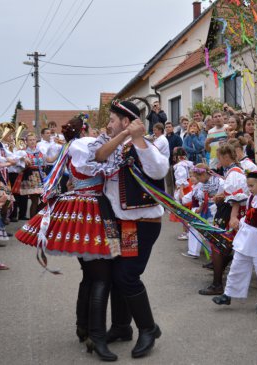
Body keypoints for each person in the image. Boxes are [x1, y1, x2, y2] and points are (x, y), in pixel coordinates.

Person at [16, 115, 122, 361]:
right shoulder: (85, 145)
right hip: (93, 210)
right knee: (102, 278)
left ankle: (83, 328)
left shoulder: (73, 147)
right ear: (84, 130)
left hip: (83, 208)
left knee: (90, 275)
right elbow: (103, 162)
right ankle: (96, 337)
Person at [91, 100, 169, 359]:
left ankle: (149, 329)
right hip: (122, 222)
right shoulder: (116, 145)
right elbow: (98, 157)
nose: (108, 124)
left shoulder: (144, 145)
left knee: (127, 276)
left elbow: (159, 171)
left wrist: (138, 139)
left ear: (126, 121)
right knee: (116, 275)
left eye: (113, 120)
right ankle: (122, 326)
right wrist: (125, 135)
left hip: (142, 223)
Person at [212, 170, 257, 311]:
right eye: (248, 186)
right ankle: (228, 294)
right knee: (237, 266)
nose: (249, 189)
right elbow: (245, 211)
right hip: (245, 238)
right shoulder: (252, 197)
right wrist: (239, 221)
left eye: (251, 186)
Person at [199, 144, 248, 296]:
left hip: (228, 213)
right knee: (224, 246)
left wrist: (221, 197)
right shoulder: (234, 171)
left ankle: (217, 284)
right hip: (229, 211)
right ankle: (219, 277)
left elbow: (236, 197)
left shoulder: (234, 173)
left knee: (218, 246)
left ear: (226, 157)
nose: (219, 161)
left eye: (220, 157)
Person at [19, 133, 46, 218]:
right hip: (31, 176)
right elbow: (21, 168)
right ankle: (32, 220)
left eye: (34, 140)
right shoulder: (24, 153)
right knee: (34, 200)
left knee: (45, 199)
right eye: (30, 140)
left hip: (41, 176)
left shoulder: (40, 152)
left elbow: (48, 160)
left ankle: (36, 217)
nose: (32, 141)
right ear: (26, 142)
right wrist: (26, 164)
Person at [172, 147, 194, 241]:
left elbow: (181, 179)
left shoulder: (180, 166)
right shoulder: (188, 164)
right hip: (190, 186)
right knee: (189, 210)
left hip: (184, 189)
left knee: (184, 211)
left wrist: (180, 192)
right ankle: (189, 231)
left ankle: (186, 232)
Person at [164, 122, 183, 197]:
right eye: (166, 127)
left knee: (176, 181)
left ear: (172, 128)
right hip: (166, 163)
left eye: (169, 127)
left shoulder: (177, 137)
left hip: (175, 162)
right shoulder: (164, 139)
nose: (168, 128)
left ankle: (176, 198)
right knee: (168, 182)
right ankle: (170, 198)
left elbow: (180, 149)